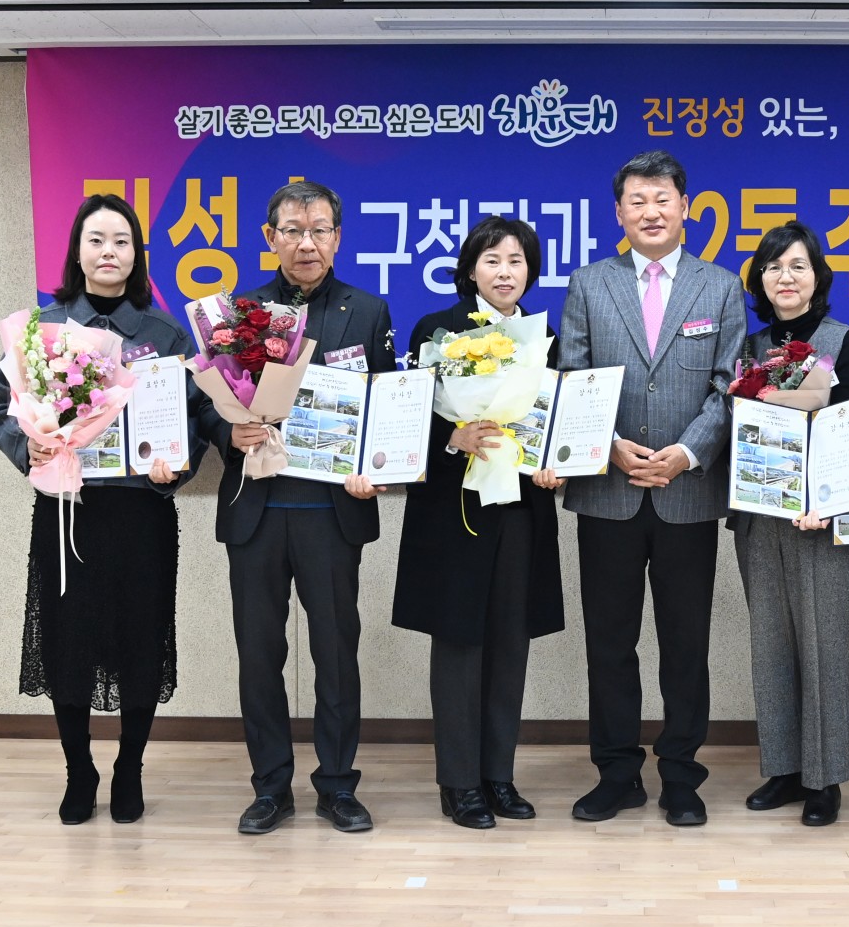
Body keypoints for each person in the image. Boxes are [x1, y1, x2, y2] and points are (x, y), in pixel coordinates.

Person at [0, 193, 202, 826]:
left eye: (121, 241)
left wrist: (177, 464)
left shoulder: (164, 334)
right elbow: (5, 409)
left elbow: (192, 419)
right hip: (68, 512)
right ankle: (78, 769)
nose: (109, 252)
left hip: (141, 517)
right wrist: (28, 443)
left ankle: (129, 767)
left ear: (137, 256)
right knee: (68, 642)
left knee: (141, 640)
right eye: (97, 240)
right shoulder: (43, 330)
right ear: (77, 252)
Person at [558, 149, 747, 827]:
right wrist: (606, 444)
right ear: (619, 212)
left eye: (662, 198)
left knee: (685, 644)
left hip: (685, 494)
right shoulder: (590, 283)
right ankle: (616, 773)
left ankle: (681, 776)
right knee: (609, 643)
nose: (651, 211)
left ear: (685, 207)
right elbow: (572, 374)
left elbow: (730, 386)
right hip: (607, 493)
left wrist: (688, 454)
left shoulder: (720, 287)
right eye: (637, 200)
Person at [201, 179, 396, 836]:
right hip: (255, 509)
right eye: (292, 230)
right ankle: (270, 787)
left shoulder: (367, 312)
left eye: (319, 230)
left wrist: (377, 468)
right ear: (270, 237)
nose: (306, 243)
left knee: (336, 653)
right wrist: (228, 430)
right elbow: (207, 402)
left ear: (337, 237)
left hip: (331, 512)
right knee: (259, 654)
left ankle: (337, 785)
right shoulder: (239, 313)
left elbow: (386, 406)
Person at [391, 216, 565, 830]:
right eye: (492, 260)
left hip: (520, 510)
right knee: (460, 644)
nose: (505, 272)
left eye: (516, 261)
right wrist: (452, 436)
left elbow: (560, 418)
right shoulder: (436, 330)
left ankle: (499, 776)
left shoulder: (544, 338)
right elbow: (406, 416)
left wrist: (560, 461)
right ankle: (459, 782)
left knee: (510, 643)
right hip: (456, 511)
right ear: (469, 270)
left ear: (530, 271)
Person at [731, 221, 849, 827]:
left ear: (818, 276)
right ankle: (783, 768)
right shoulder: (750, 346)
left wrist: (830, 501)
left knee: (824, 644)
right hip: (761, 512)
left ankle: (825, 778)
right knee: (770, 644)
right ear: (760, 281)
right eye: (773, 268)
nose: (785, 277)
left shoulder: (844, 342)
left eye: (797, 266)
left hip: (823, 518)